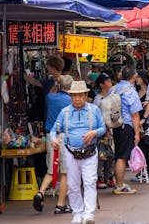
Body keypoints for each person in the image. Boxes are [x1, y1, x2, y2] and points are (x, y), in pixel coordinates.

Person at [50, 80, 105, 224]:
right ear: (70, 96)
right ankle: (77, 212)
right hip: (71, 152)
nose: (77, 99)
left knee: (89, 182)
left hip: (90, 152)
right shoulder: (65, 112)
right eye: (74, 96)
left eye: (80, 95)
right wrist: (53, 139)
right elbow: (54, 130)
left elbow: (103, 128)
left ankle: (88, 213)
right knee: (73, 184)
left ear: (86, 95)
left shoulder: (94, 110)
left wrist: (94, 133)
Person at [33, 75, 73, 214]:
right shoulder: (70, 101)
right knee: (64, 173)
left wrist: (57, 82)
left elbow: (52, 91)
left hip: (51, 137)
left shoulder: (50, 98)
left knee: (51, 170)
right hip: (63, 137)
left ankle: (40, 193)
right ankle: (60, 204)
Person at [111, 65, 143, 195]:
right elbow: (135, 114)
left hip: (116, 126)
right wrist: (137, 133)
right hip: (126, 126)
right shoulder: (131, 91)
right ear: (134, 76)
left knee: (118, 154)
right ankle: (120, 185)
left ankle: (118, 182)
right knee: (122, 157)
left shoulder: (114, 89)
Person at [93, 73, 116, 190]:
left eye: (110, 81)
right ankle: (100, 178)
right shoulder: (98, 99)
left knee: (110, 155)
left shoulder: (112, 96)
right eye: (107, 82)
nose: (110, 83)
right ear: (101, 85)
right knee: (101, 155)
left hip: (111, 130)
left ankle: (110, 177)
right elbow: (95, 116)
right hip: (101, 131)